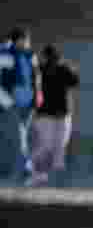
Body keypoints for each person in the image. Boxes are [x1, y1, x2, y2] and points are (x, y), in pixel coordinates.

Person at [27, 44, 79, 186]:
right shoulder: (44, 70)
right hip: (49, 113)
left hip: (54, 113)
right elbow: (75, 81)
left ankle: (53, 177)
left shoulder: (59, 69)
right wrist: (70, 67)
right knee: (51, 146)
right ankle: (36, 171)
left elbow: (74, 82)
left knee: (55, 145)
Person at [0, 27, 40, 182]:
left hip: (28, 103)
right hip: (12, 103)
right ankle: (27, 169)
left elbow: (36, 77)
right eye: (26, 39)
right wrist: (7, 101)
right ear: (18, 40)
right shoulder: (5, 56)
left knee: (22, 136)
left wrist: (37, 96)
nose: (28, 43)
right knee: (19, 136)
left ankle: (16, 170)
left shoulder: (31, 55)